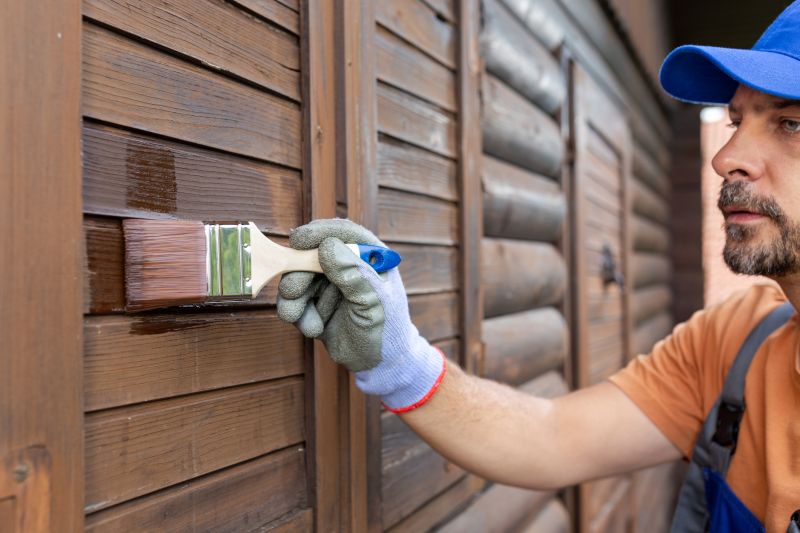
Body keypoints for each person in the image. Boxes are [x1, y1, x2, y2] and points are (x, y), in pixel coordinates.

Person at [277, 3, 800, 531]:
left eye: (791, 123)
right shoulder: (738, 343)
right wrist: (397, 358)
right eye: (736, 120)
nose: (727, 155)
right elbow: (553, 436)